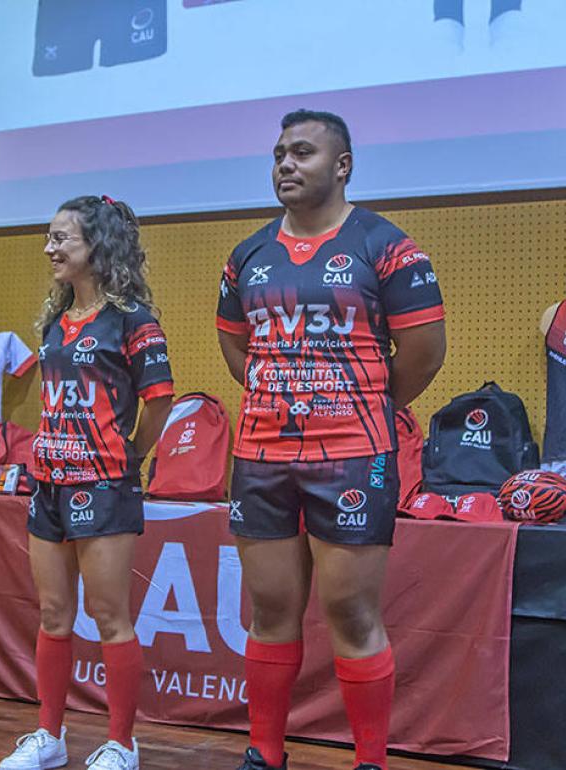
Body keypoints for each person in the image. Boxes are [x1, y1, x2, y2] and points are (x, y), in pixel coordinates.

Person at [215, 110, 447, 770]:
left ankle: (369, 760)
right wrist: (282, 398)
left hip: (354, 456)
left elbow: (425, 353)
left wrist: (360, 405)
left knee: (349, 611)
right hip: (261, 456)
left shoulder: (388, 247)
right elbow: (237, 349)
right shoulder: (248, 255)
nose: (286, 164)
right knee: (270, 610)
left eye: (303, 153)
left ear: (342, 166)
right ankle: (265, 754)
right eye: (280, 154)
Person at [0, 195, 173, 770]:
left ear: (96, 248)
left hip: (104, 486)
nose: (49, 248)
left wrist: (130, 455)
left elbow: (160, 400)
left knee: (109, 616)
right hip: (48, 483)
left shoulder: (134, 321)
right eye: (49, 238)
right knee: (53, 614)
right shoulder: (54, 319)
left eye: (61, 239)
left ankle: (122, 743)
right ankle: (49, 736)